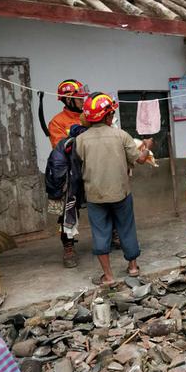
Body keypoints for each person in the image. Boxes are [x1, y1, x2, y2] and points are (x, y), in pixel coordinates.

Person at [76, 92, 153, 286]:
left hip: (95, 195)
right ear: (108, 116)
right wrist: (147, 146)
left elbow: (79, 162)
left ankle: (108, 277)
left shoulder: (81, 139)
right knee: (126, 228)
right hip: (121, 193)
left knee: (100, 233)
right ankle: (133, 268)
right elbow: (140, 160)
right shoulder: (121, 135)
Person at [47, 80, 89, 267]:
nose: (83, 100)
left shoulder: (90, 117)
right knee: (66, 211)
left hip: (91, 169)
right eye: (79, 97)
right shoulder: (57, 121)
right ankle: (69, 247)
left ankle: (113, 236)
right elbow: (59, 147)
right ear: (68, 99)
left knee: (106, 203)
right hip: (69, 173)